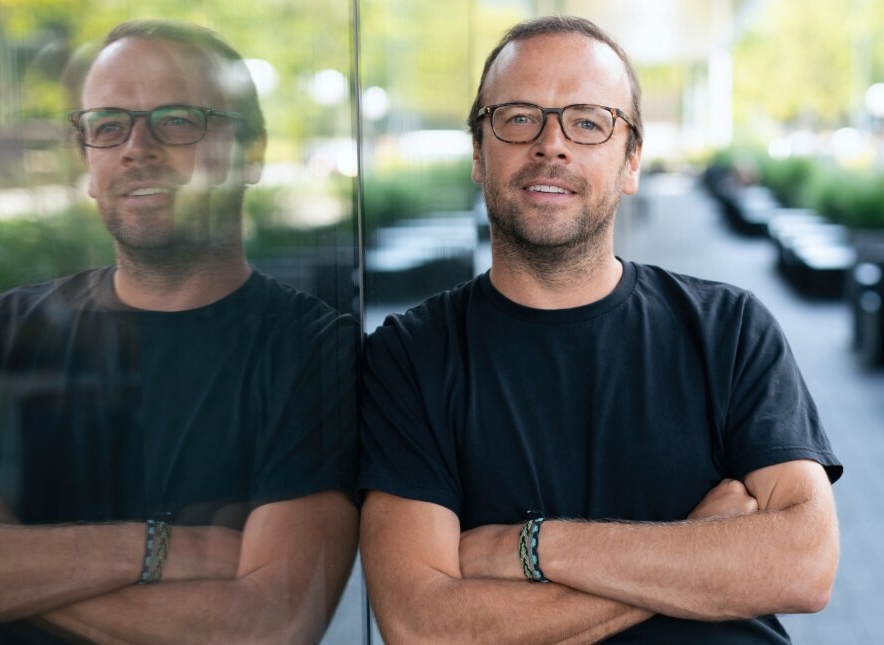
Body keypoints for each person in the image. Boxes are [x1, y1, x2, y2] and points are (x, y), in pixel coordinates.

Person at [358, 15, 842, 643]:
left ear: (631, 160)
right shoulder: (409, 356)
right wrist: (700, 553)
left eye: (588, 122)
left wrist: (533, 547)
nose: (550, 144)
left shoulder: (729, 329)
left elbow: (803, 565)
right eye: (518, 116)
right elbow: (423, 624)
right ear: (479, 152)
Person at [0, 19, 359, 643]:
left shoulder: (315, 351)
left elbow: (267, 624)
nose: (136, 147)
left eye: (177, 119)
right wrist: (156, 549)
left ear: (252, 153)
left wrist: (11, 573)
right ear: (87, 161)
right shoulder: (1, 333)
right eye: (107, 125)